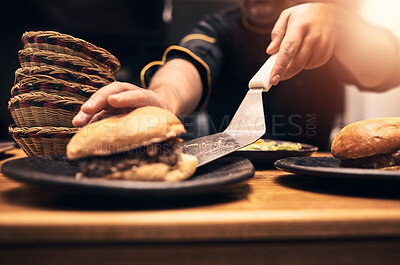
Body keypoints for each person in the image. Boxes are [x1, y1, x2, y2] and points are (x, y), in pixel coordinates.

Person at [72, 0, 400, 150]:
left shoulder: (321, 24)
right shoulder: (219, 28)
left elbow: (388, 70)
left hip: (313, 185)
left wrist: (343, 28)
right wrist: (163, 100)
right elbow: (186, 66)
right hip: (227, 182)